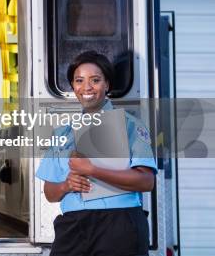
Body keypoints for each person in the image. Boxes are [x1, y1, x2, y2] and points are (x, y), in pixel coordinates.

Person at [36, 50, 157, 256]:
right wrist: (67, 185)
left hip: (119, 224)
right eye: (79, 80)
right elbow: (49, 193)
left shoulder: (130, 126)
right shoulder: (62, 133)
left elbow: (145, 182)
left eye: (95, 80)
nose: (86, 87)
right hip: (73, 228)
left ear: (107, 84)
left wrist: (92, 169)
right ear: (73, 86)